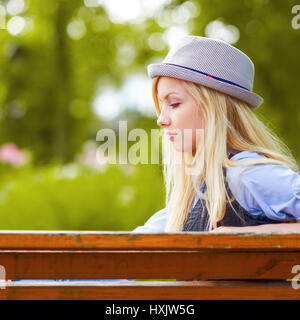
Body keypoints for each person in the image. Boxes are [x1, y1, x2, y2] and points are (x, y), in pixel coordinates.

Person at [132, 35, 300, 233]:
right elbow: (132, 243)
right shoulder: (196, 192)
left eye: (174, 104)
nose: (161, 119)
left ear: (214, 109)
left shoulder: (246, 175)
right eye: (161, 106)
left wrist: (247, 235)